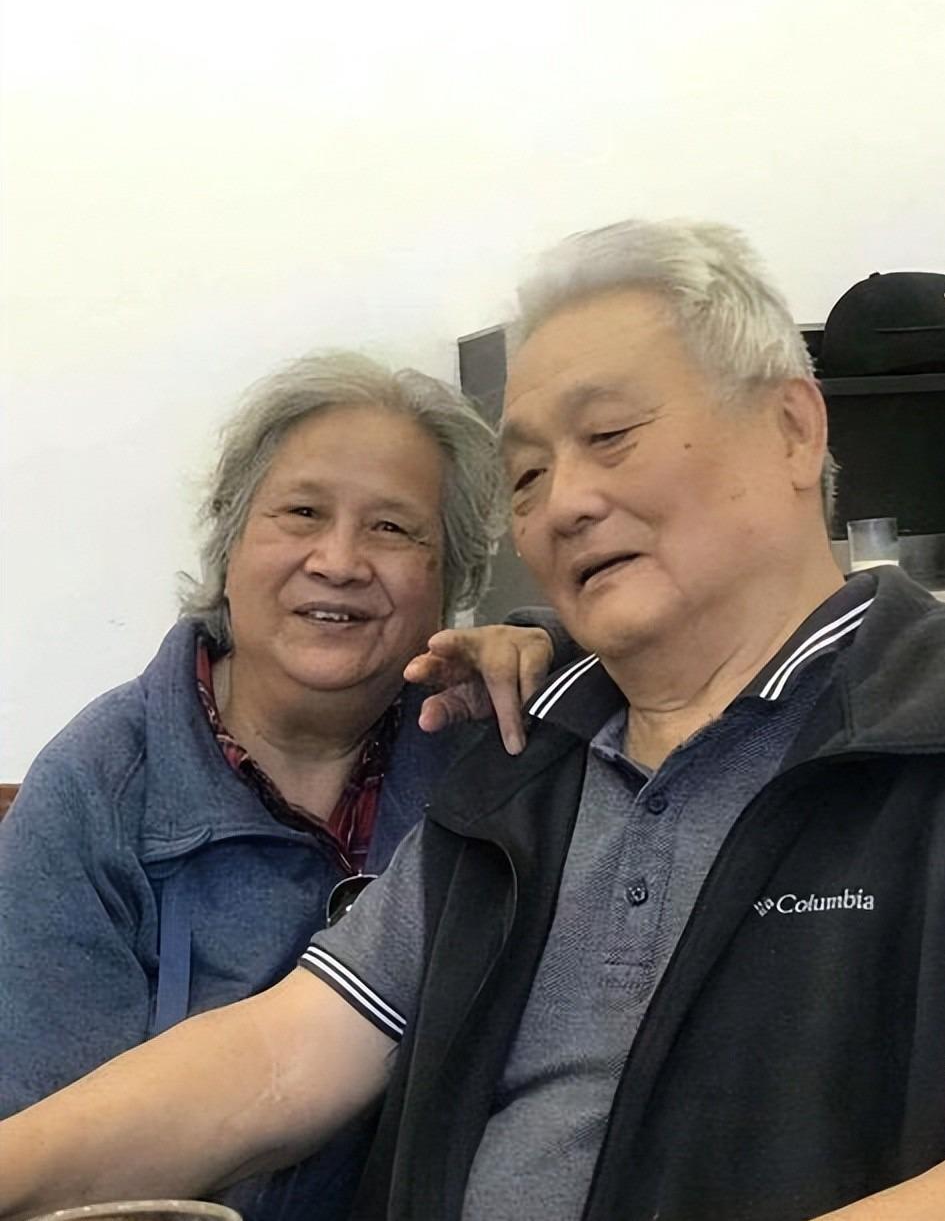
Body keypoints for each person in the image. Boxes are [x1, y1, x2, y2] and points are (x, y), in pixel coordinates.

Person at [4, 219, 945, 1221]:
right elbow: (285, 1054)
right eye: (527, 476)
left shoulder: (911, 721)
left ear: (792, 428)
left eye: (610, 435)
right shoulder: (522, 768)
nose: (565, 502)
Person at [0, 352, 560, 1221]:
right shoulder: (95, 791)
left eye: (392, 528)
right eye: (301, 512)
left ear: (450, 581)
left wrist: (555, 650)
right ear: (229, 544)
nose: (338, 560)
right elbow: (51, 1158)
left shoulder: (497, 753)